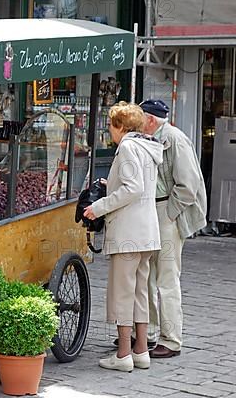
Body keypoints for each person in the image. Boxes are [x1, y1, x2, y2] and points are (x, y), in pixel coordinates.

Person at [83, 102, 163, 372]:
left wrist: (99, 207)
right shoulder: (148, 146)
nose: (109, 130)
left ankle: (123, 355)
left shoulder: (127, 147)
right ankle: (141, 351)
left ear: (121, 126)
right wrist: (111, 185)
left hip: (129, 231)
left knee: (122, 294)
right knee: (139, 292)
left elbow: (133, 188)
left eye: (110, 125)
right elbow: (138, 185)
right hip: (147, 231)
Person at [139, 99, 207, 359]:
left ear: (151, 120)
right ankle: (149, 333)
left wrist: (169, 215)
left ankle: (171, 340)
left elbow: (188, 186)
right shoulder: (150, 136)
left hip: (166, 210)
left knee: (166, 279)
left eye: (139, 118)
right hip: (152, 210)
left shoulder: (174, 139)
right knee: (147, 276)